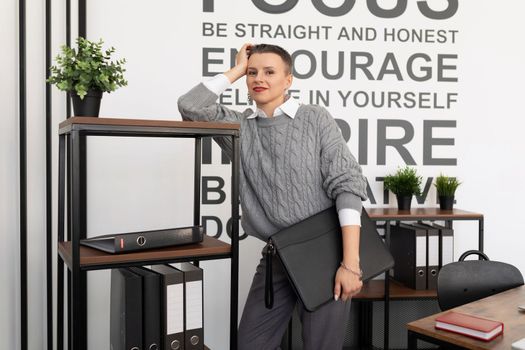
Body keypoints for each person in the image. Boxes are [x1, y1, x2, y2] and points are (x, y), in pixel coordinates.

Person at [178, 43, 368, 350]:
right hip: (278, 257)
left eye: (269, 71)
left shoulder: (314, 118)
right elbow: (190, 106)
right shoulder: (239, 127)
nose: (258, 78)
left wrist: (350, 264)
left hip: (327, 257)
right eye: (252, 73)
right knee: (251, 344)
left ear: (288, 80)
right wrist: (237, 69)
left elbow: (346, 185)